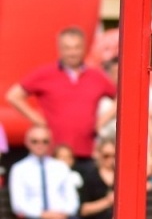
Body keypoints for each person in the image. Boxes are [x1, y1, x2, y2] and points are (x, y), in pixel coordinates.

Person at [7, 27, 117, 175]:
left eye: (76, 47)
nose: (72, 52)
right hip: (54, 153)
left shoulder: (96, 76)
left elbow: (121, 99)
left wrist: (101, 122)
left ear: (83, 48)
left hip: (86, 152)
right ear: (60, 49)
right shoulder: (45, 73)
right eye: (67, 48)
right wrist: (38, 120)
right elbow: (13, 96)